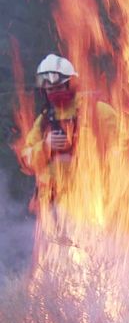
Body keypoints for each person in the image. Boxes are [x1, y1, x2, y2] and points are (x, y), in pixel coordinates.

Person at [21, 53, 119, 210]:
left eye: (58, 87)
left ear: (70, 84)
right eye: (49, 90)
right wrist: (45, 146)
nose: (54, 93)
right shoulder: (44, 120)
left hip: (91, 204)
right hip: (52, 208)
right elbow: (27, 159)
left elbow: (121, 154)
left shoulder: (98, 111)